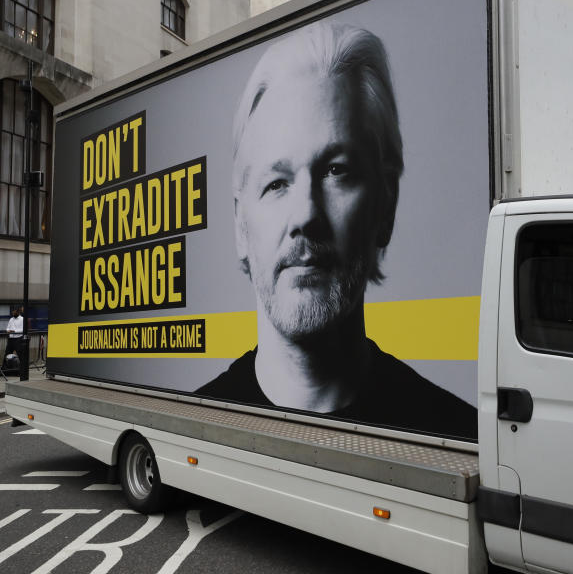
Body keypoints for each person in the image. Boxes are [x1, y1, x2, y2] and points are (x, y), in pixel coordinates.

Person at [195, 22, 476, 439]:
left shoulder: (455, 431)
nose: (306, 215)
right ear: (240, 225)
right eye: (276, 183)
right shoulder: (202, 423)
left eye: (335, 171)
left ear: (385, 206)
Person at [4, 308, 24, 373]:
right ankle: (4, 368)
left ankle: (22, 369)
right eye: (12, 312)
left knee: (20, 354)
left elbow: (23, 329)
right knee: (7, 353)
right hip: (11, 338)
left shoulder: (22, 319)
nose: (13, 313)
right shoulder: (11, 319)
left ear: (18, 312)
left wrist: (14, 331)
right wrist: (8, 330)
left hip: (18, 338)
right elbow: (7, 327)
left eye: (14, 312)